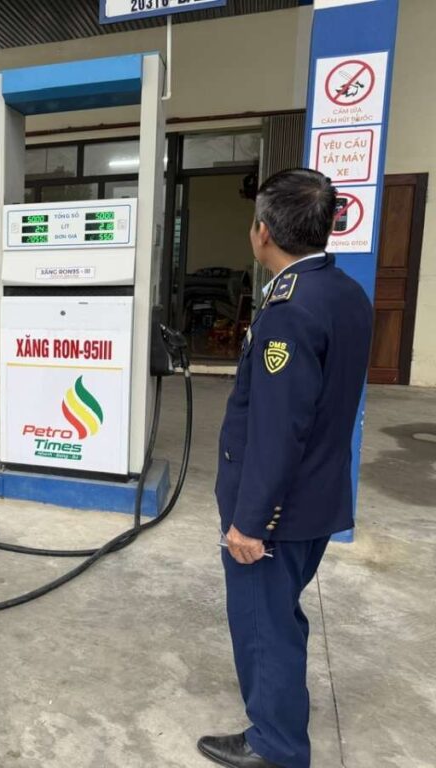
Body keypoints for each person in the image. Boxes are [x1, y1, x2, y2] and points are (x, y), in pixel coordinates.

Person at [198, 169, 372, 768]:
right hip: (318, 497)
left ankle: (276, 744)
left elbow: (278, 428)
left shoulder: (289, 310)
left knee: (263, 623)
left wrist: (250, 522)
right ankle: (283, 713)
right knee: (281, 615)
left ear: (263, 232)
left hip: (278, 511)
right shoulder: (344, 293)